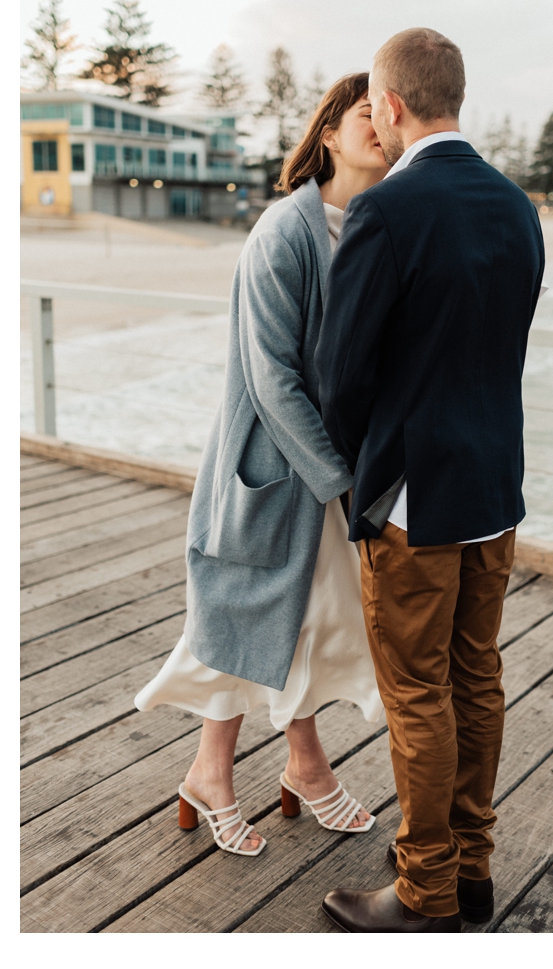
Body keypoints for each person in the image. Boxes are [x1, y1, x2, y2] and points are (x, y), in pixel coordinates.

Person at [313, 28, 545, 932]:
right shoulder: (516, 205)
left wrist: (357, 483)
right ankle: (472, 870)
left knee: (417, 691)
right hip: (494, 487)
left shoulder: (387, 212)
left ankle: (425, 890)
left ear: (395, 106)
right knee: (475, 677)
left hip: (413, 496)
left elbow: (342, 376)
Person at [134, 73, 390, 856]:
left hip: (334, 471)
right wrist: (341, 481)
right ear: (327, 133)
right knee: (240, 617)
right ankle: (223, 772)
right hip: (275, 470)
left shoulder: (379, 228)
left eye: (386, 113)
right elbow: (271, 377)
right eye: (362, 114)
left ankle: (297, 764)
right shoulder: (285, 230)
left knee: (303, 620)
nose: (380, 125)